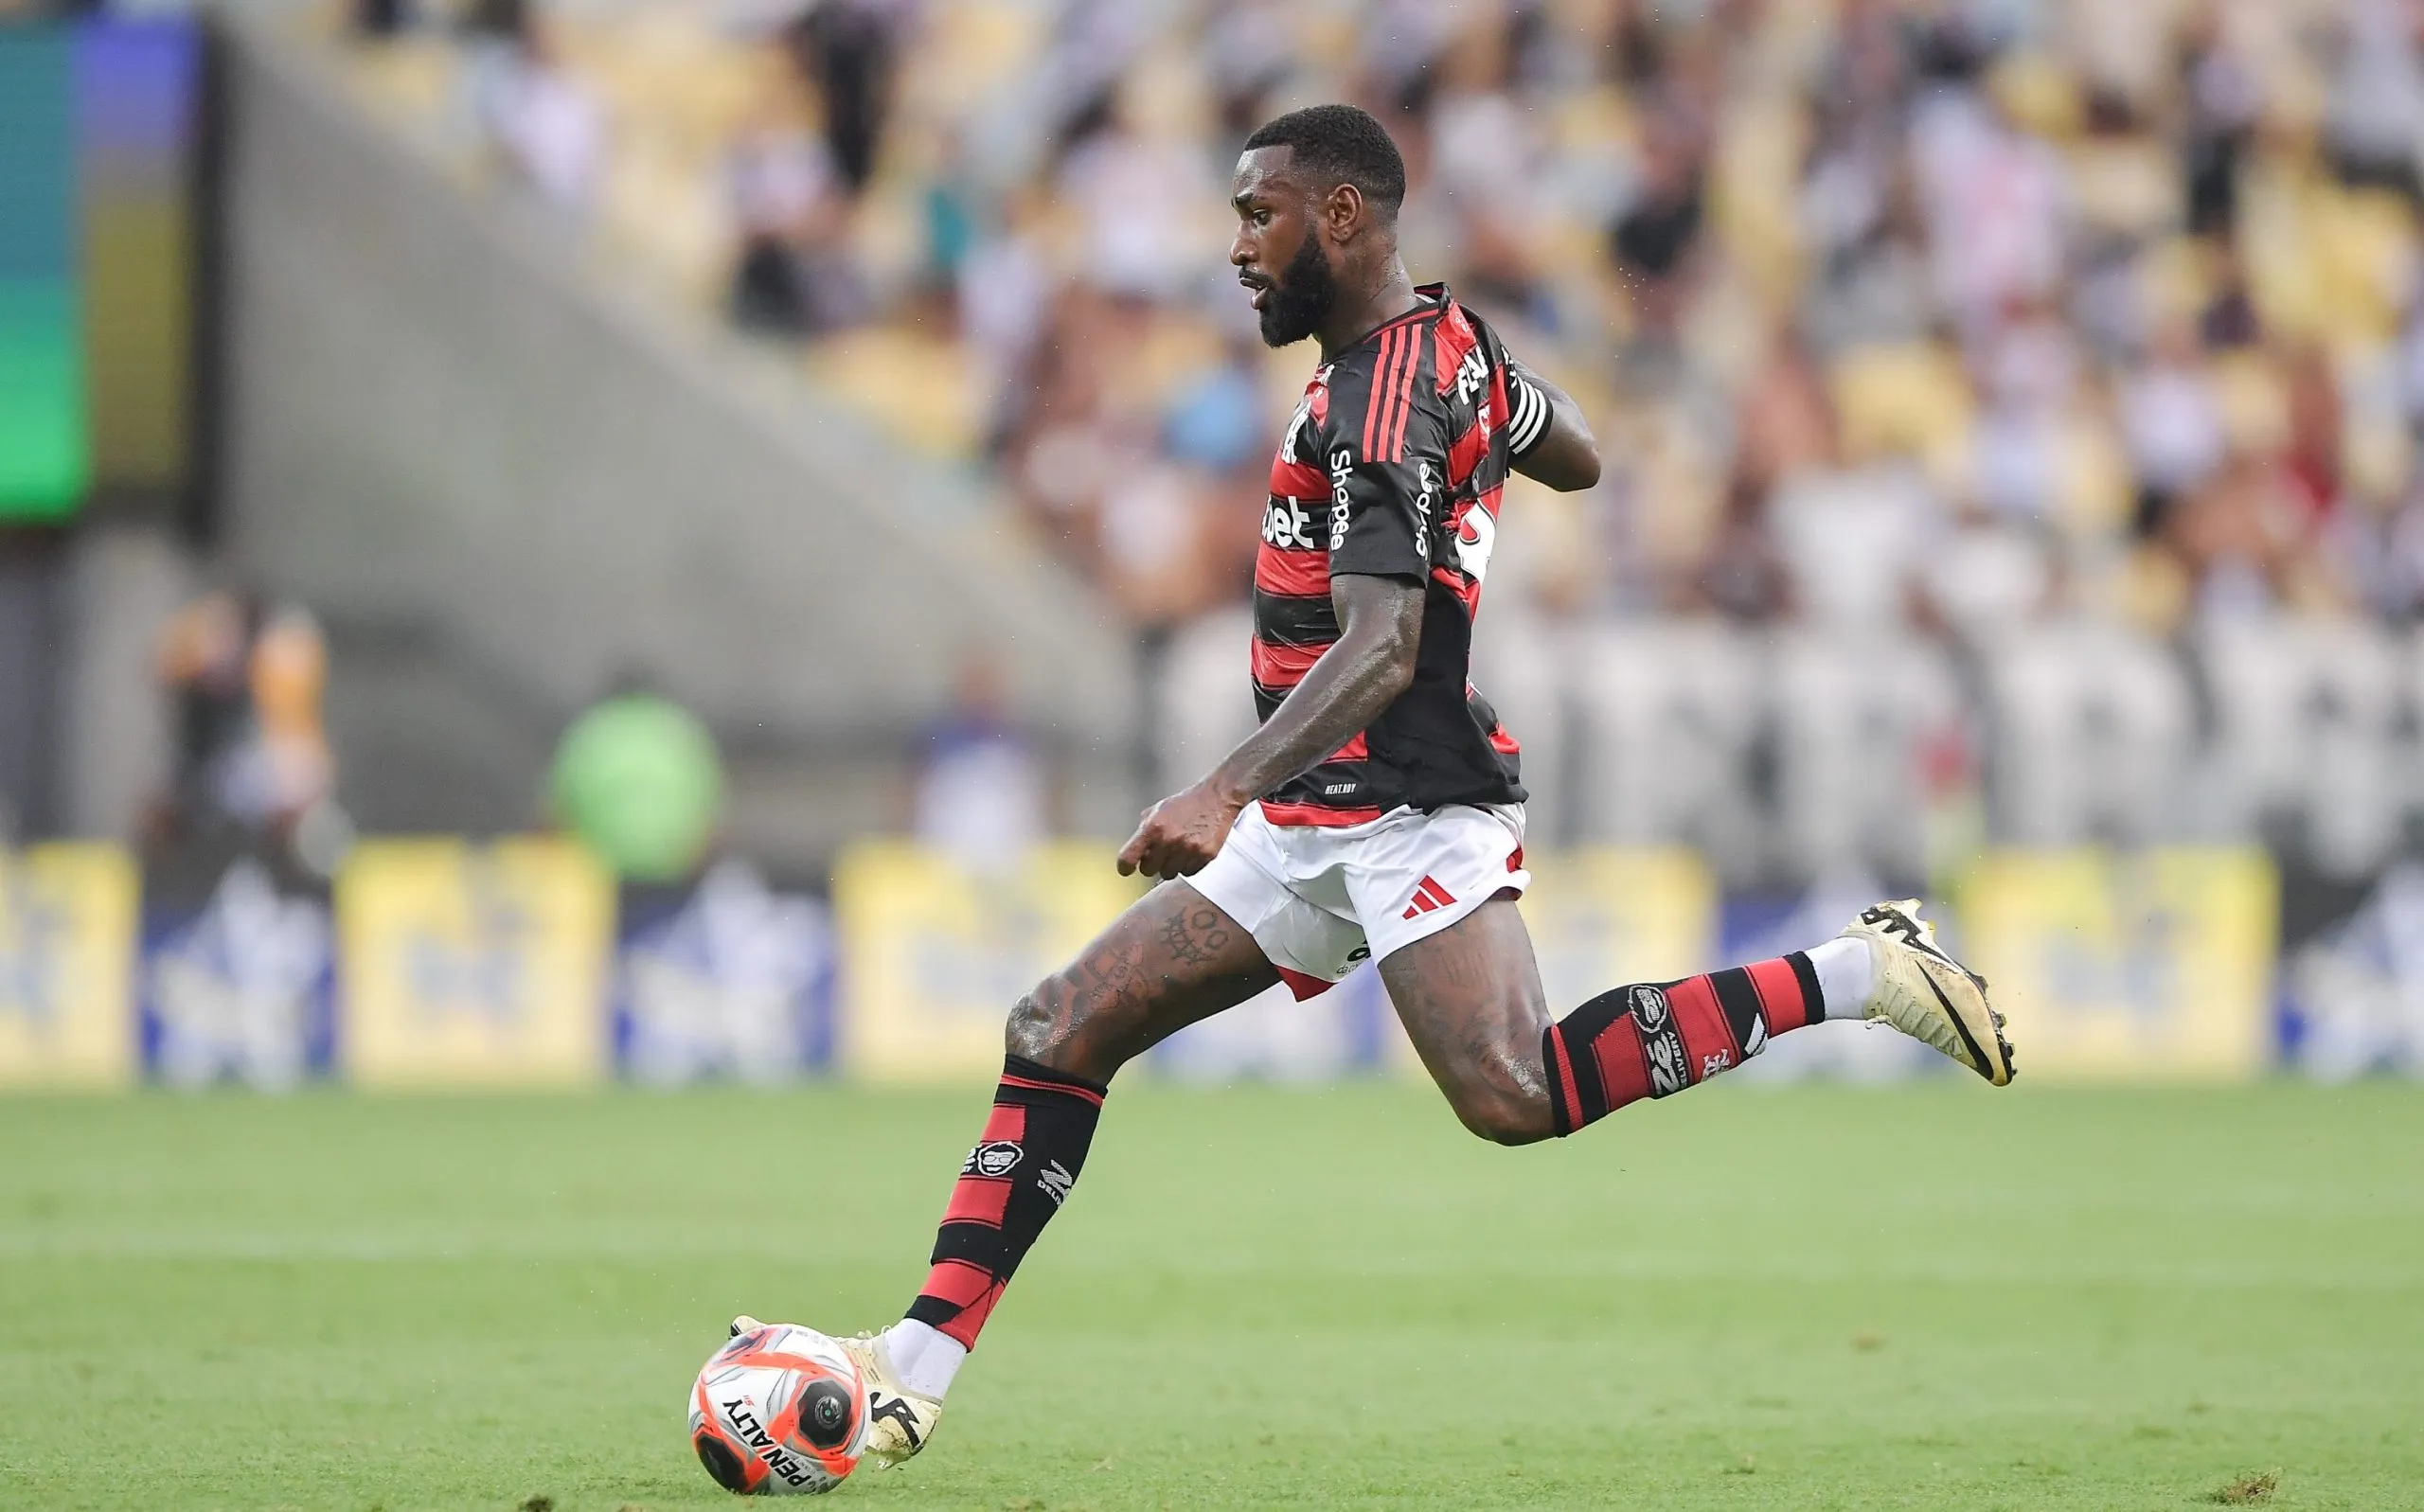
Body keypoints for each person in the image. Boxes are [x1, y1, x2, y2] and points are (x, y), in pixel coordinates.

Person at [715, 104, 2015, 1486]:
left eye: (1257, 215)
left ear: (1342, 217)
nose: (1237, 249)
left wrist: (1220, 786)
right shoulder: (1442, 345)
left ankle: (1860, 972)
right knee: (1057, 1027)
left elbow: (1386, 648)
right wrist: (1499, 414)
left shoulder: (1379, 397)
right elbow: (1575, 450)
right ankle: (910, 1380)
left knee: (1513, 1093)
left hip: (1403, 797)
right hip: (1312, 808)